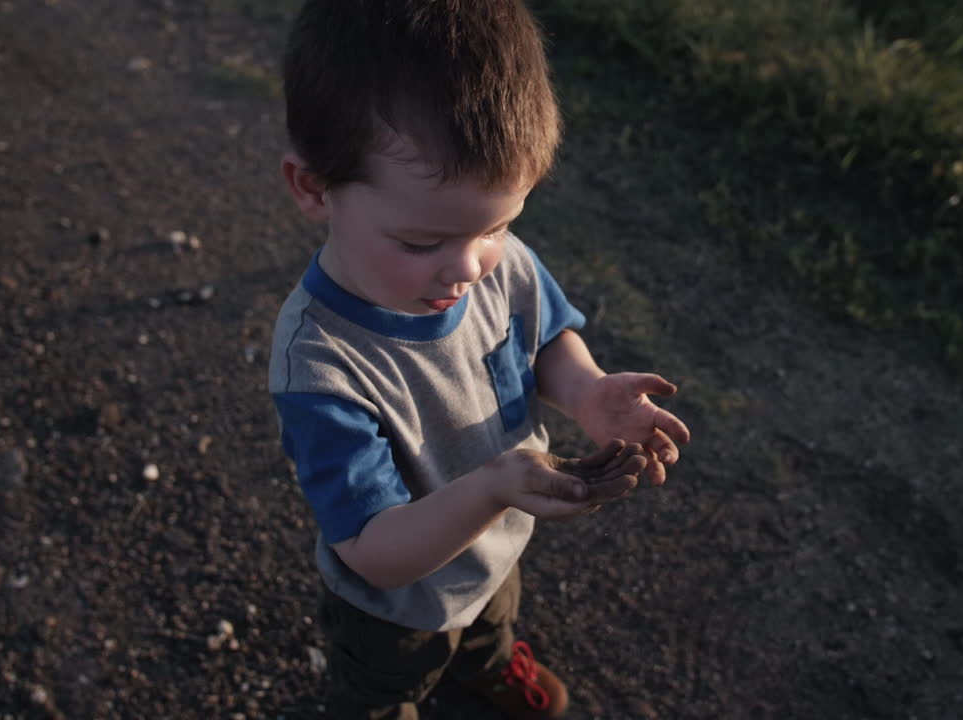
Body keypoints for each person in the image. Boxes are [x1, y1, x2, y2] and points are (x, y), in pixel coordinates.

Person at [269, 1, 691, 717]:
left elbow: (542, 338)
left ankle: (484, 674)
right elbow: (374, 551)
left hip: (496, 543)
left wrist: (588, 392)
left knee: (490, 621)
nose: (467, 267)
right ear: (315, 188)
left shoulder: (496, 263)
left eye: (498, 225)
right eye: (419, 243)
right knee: (377, 694)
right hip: (392, 611)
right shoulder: (321, 365)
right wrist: (491, 489)